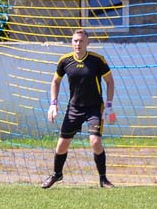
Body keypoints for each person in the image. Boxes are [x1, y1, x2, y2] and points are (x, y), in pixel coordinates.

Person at [43, 29, 116, 189]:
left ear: (87, 43)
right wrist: (53, 103)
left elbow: (110, 81)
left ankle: (103, 179)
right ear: (72, 42)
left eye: (81, 41)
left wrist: (109, 105)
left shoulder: (97, 61)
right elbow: (55, 81)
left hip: (94, 108)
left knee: (95, 141)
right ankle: (57, 174)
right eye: (75, 40)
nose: (78, 44)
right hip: (74, 108)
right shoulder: (65, 61)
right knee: (62, 145)